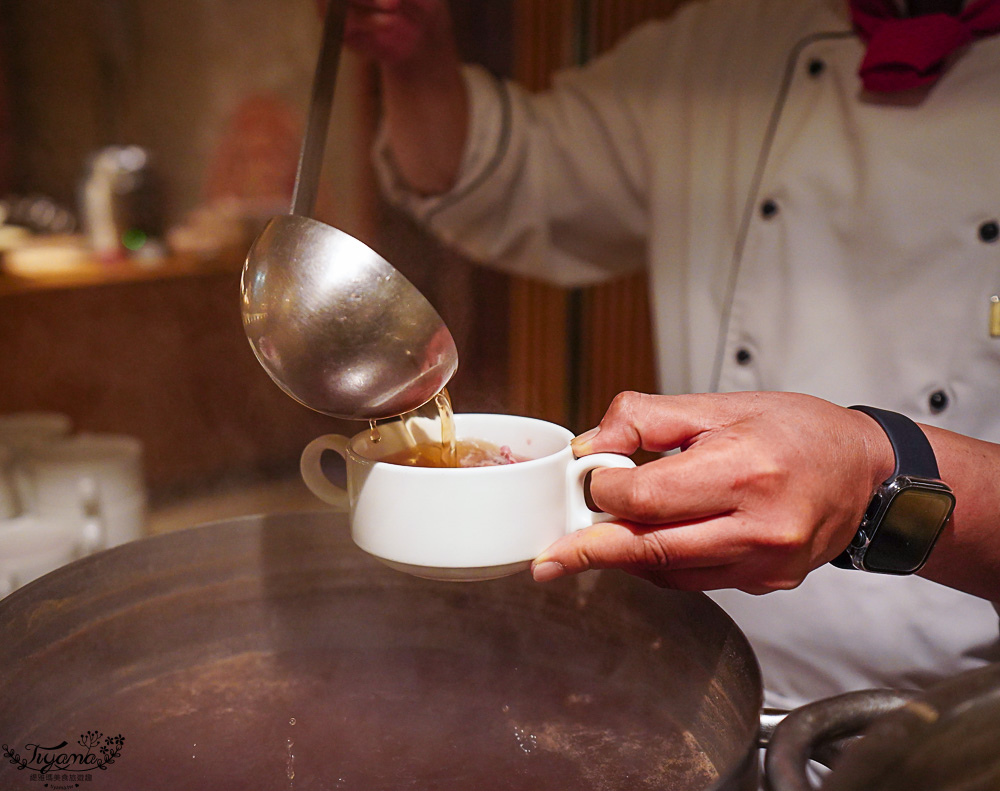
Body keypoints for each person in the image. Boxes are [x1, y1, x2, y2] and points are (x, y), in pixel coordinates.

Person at [343, 0, 1000, 707]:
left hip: (961, 731)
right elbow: (506, 174)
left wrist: (876, 473)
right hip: (703, 684)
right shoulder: (726, 47)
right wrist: (414, 55)